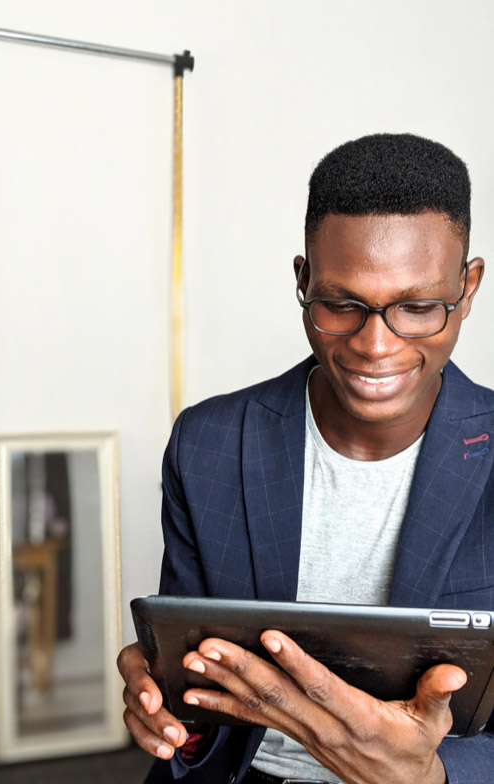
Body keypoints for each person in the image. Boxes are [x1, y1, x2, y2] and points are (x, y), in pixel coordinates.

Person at [117, 133, 494, 784]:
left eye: (417, 307)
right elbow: (193, 686)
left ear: (468, 287)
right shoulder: (208, 445)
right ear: (302, 281)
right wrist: (169, 709)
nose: (376, 345)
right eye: (340, 305)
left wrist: (432, 775)